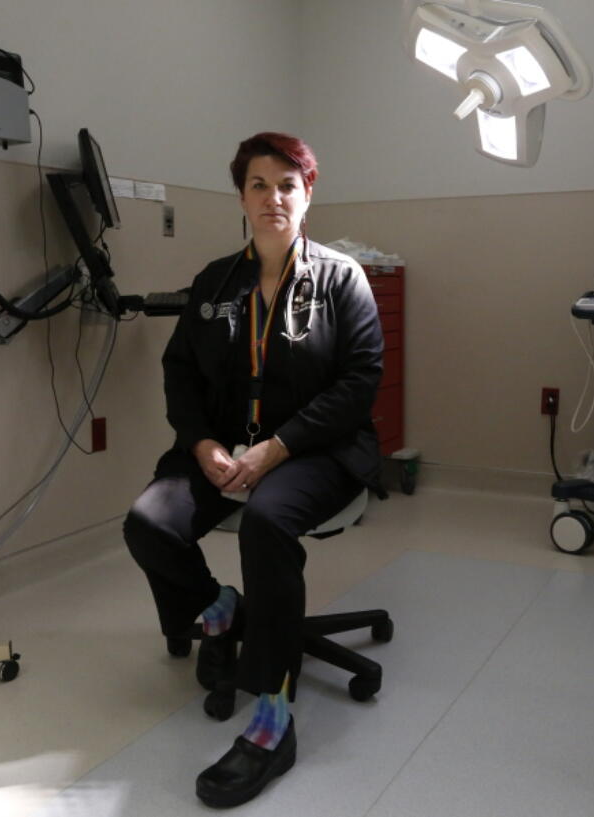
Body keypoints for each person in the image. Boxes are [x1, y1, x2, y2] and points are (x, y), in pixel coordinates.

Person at [123, 131, 384, 808]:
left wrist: (277, 448)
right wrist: (203, 442)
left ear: (308, 194)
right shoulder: (216, 281)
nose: (273, 198)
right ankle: (219, 609)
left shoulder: (341, 278)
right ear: (241, 196)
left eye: (287, 184)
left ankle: (272, 716)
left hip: (317, 451)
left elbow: (358, 383)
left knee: (265, 523)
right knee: (148, 522)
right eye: (259, 185)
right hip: (222, 447)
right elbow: (179, 370)